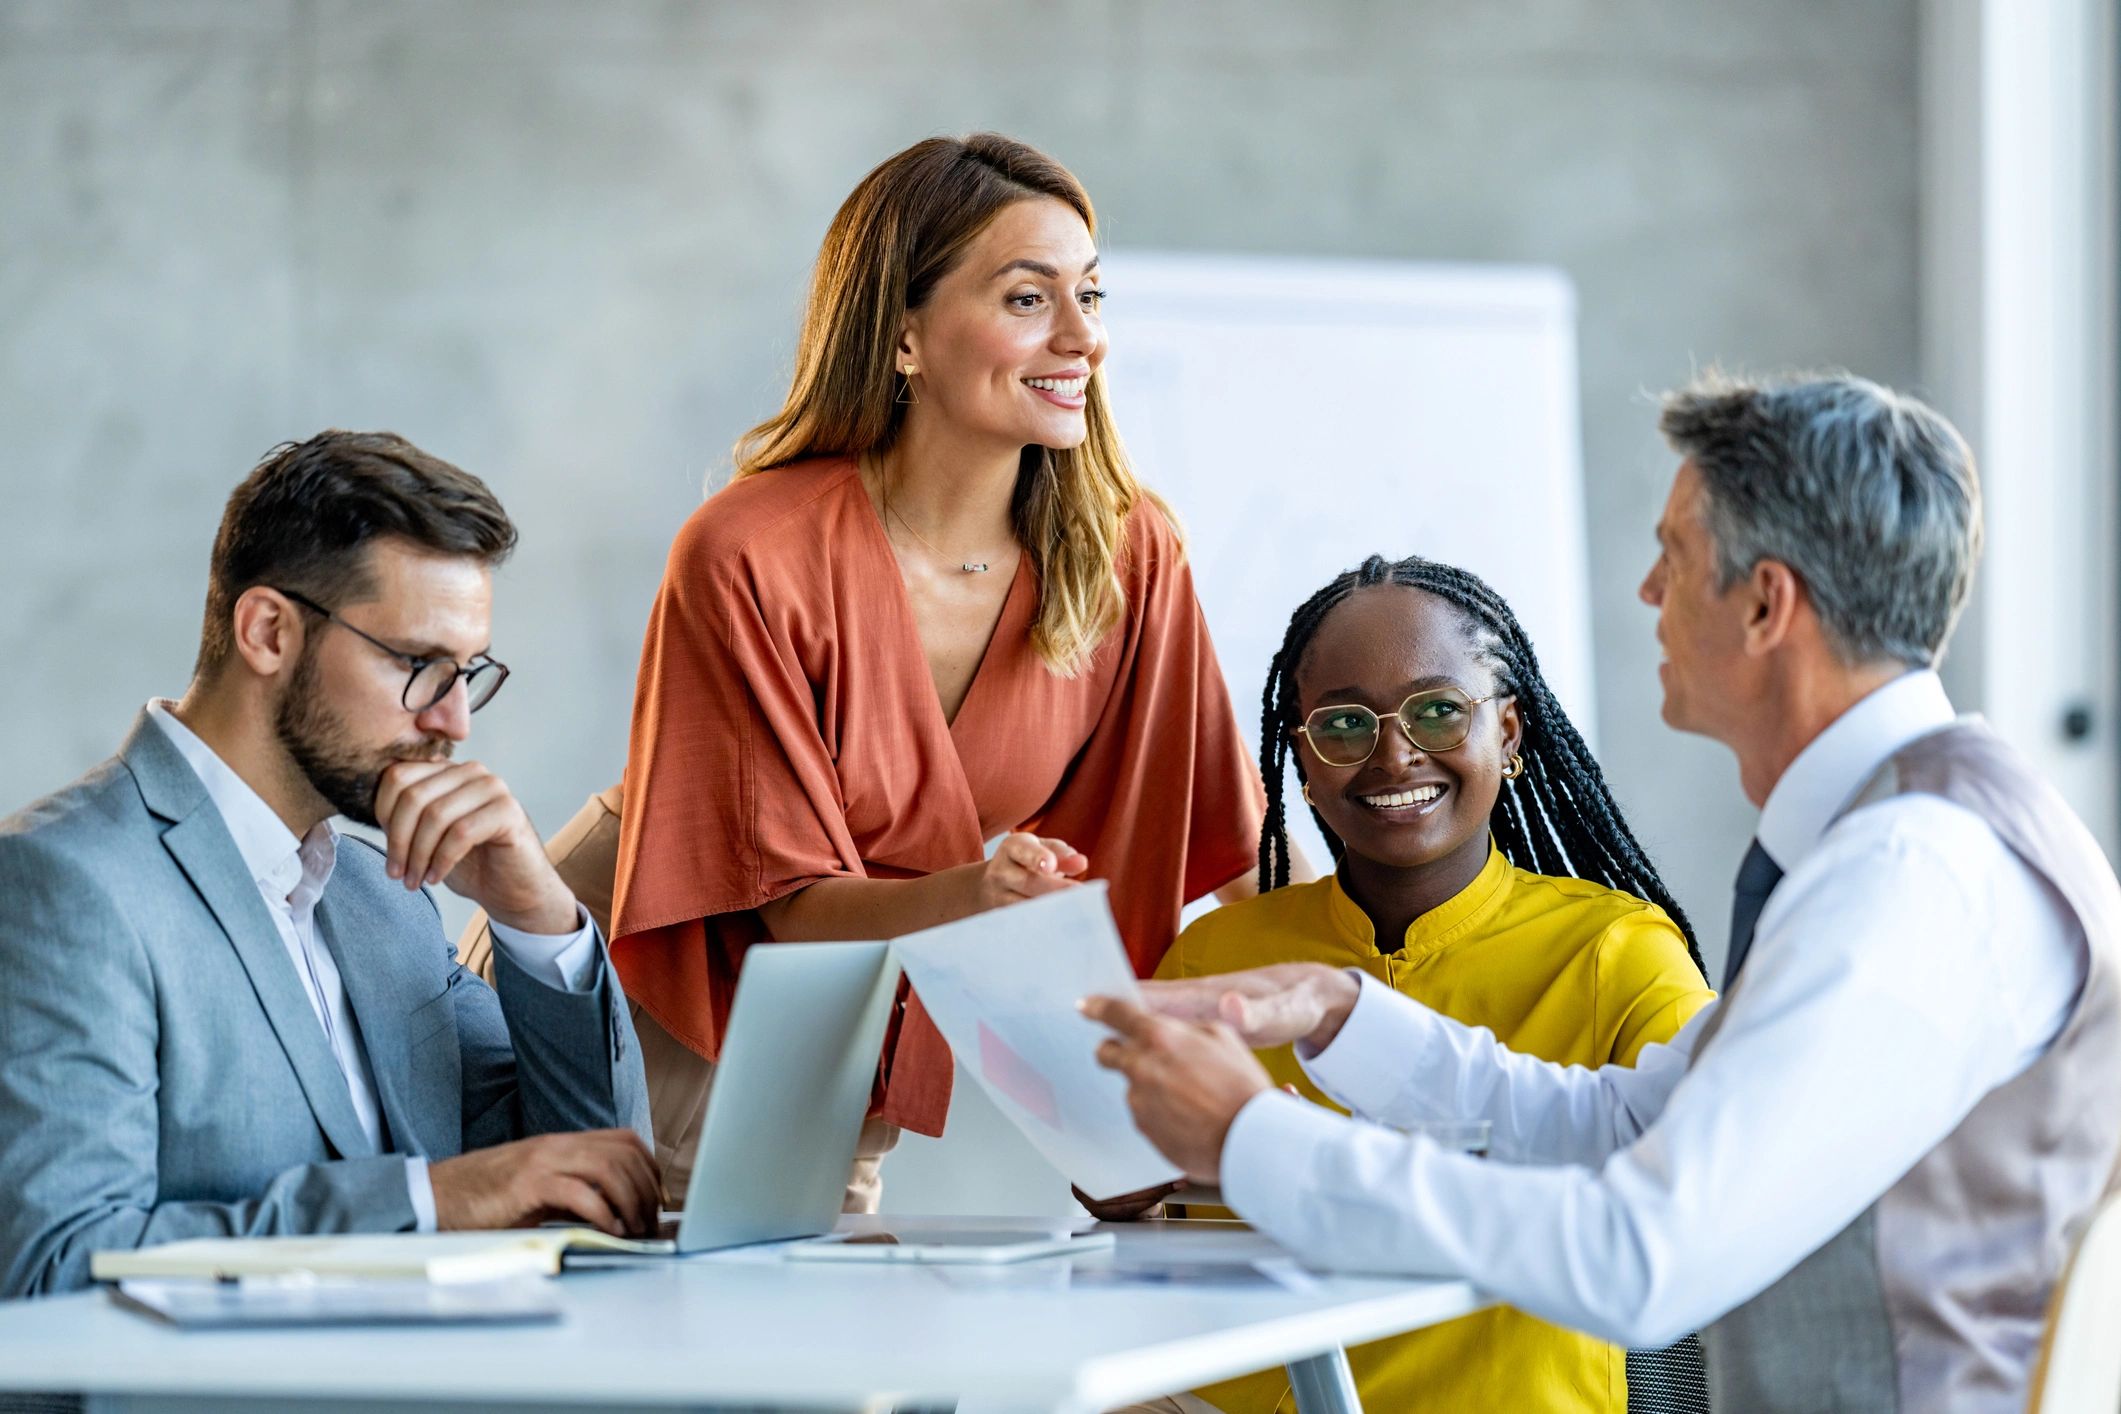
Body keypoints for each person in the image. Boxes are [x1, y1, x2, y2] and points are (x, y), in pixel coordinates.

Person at [1089, 372, 2121, 1413]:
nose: (1646, 592)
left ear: (1767, 604)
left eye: (1674, 555)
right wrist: (1345, 1013)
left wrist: (1254, 1140)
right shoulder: (1907, 845)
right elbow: (1633, 1120)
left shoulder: (1911, 879)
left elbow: (1642, 1255)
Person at [598, 133, 1270, 1207]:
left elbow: (1226, 846)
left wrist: (1345, 1023)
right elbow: (784, 904)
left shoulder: (1128, 552)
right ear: (904, 335)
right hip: (659, 969)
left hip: (854, 996)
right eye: (1026, 299)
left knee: (820, 1347)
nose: (1081, 338)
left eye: (1090, 296)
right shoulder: (751, 551)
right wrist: (977, 894)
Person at [0, 432, 657, 1300]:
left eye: (468, 673)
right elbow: (53, 1266)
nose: (455, 721)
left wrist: (538, 923)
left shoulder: (382, 899)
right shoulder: (65, 885)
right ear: (268, 631)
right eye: (420, 665)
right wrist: (427, 1201)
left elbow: (597, 1182)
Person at [1146, 554, 1714, 1413]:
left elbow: (1691, 1203)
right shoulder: (1214, 957)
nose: (1393, 755)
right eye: (1342, 725)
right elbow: (1142, 1220)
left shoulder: (1614, 952)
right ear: (1299, 760)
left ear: (1509, 734)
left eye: (1439, 711)